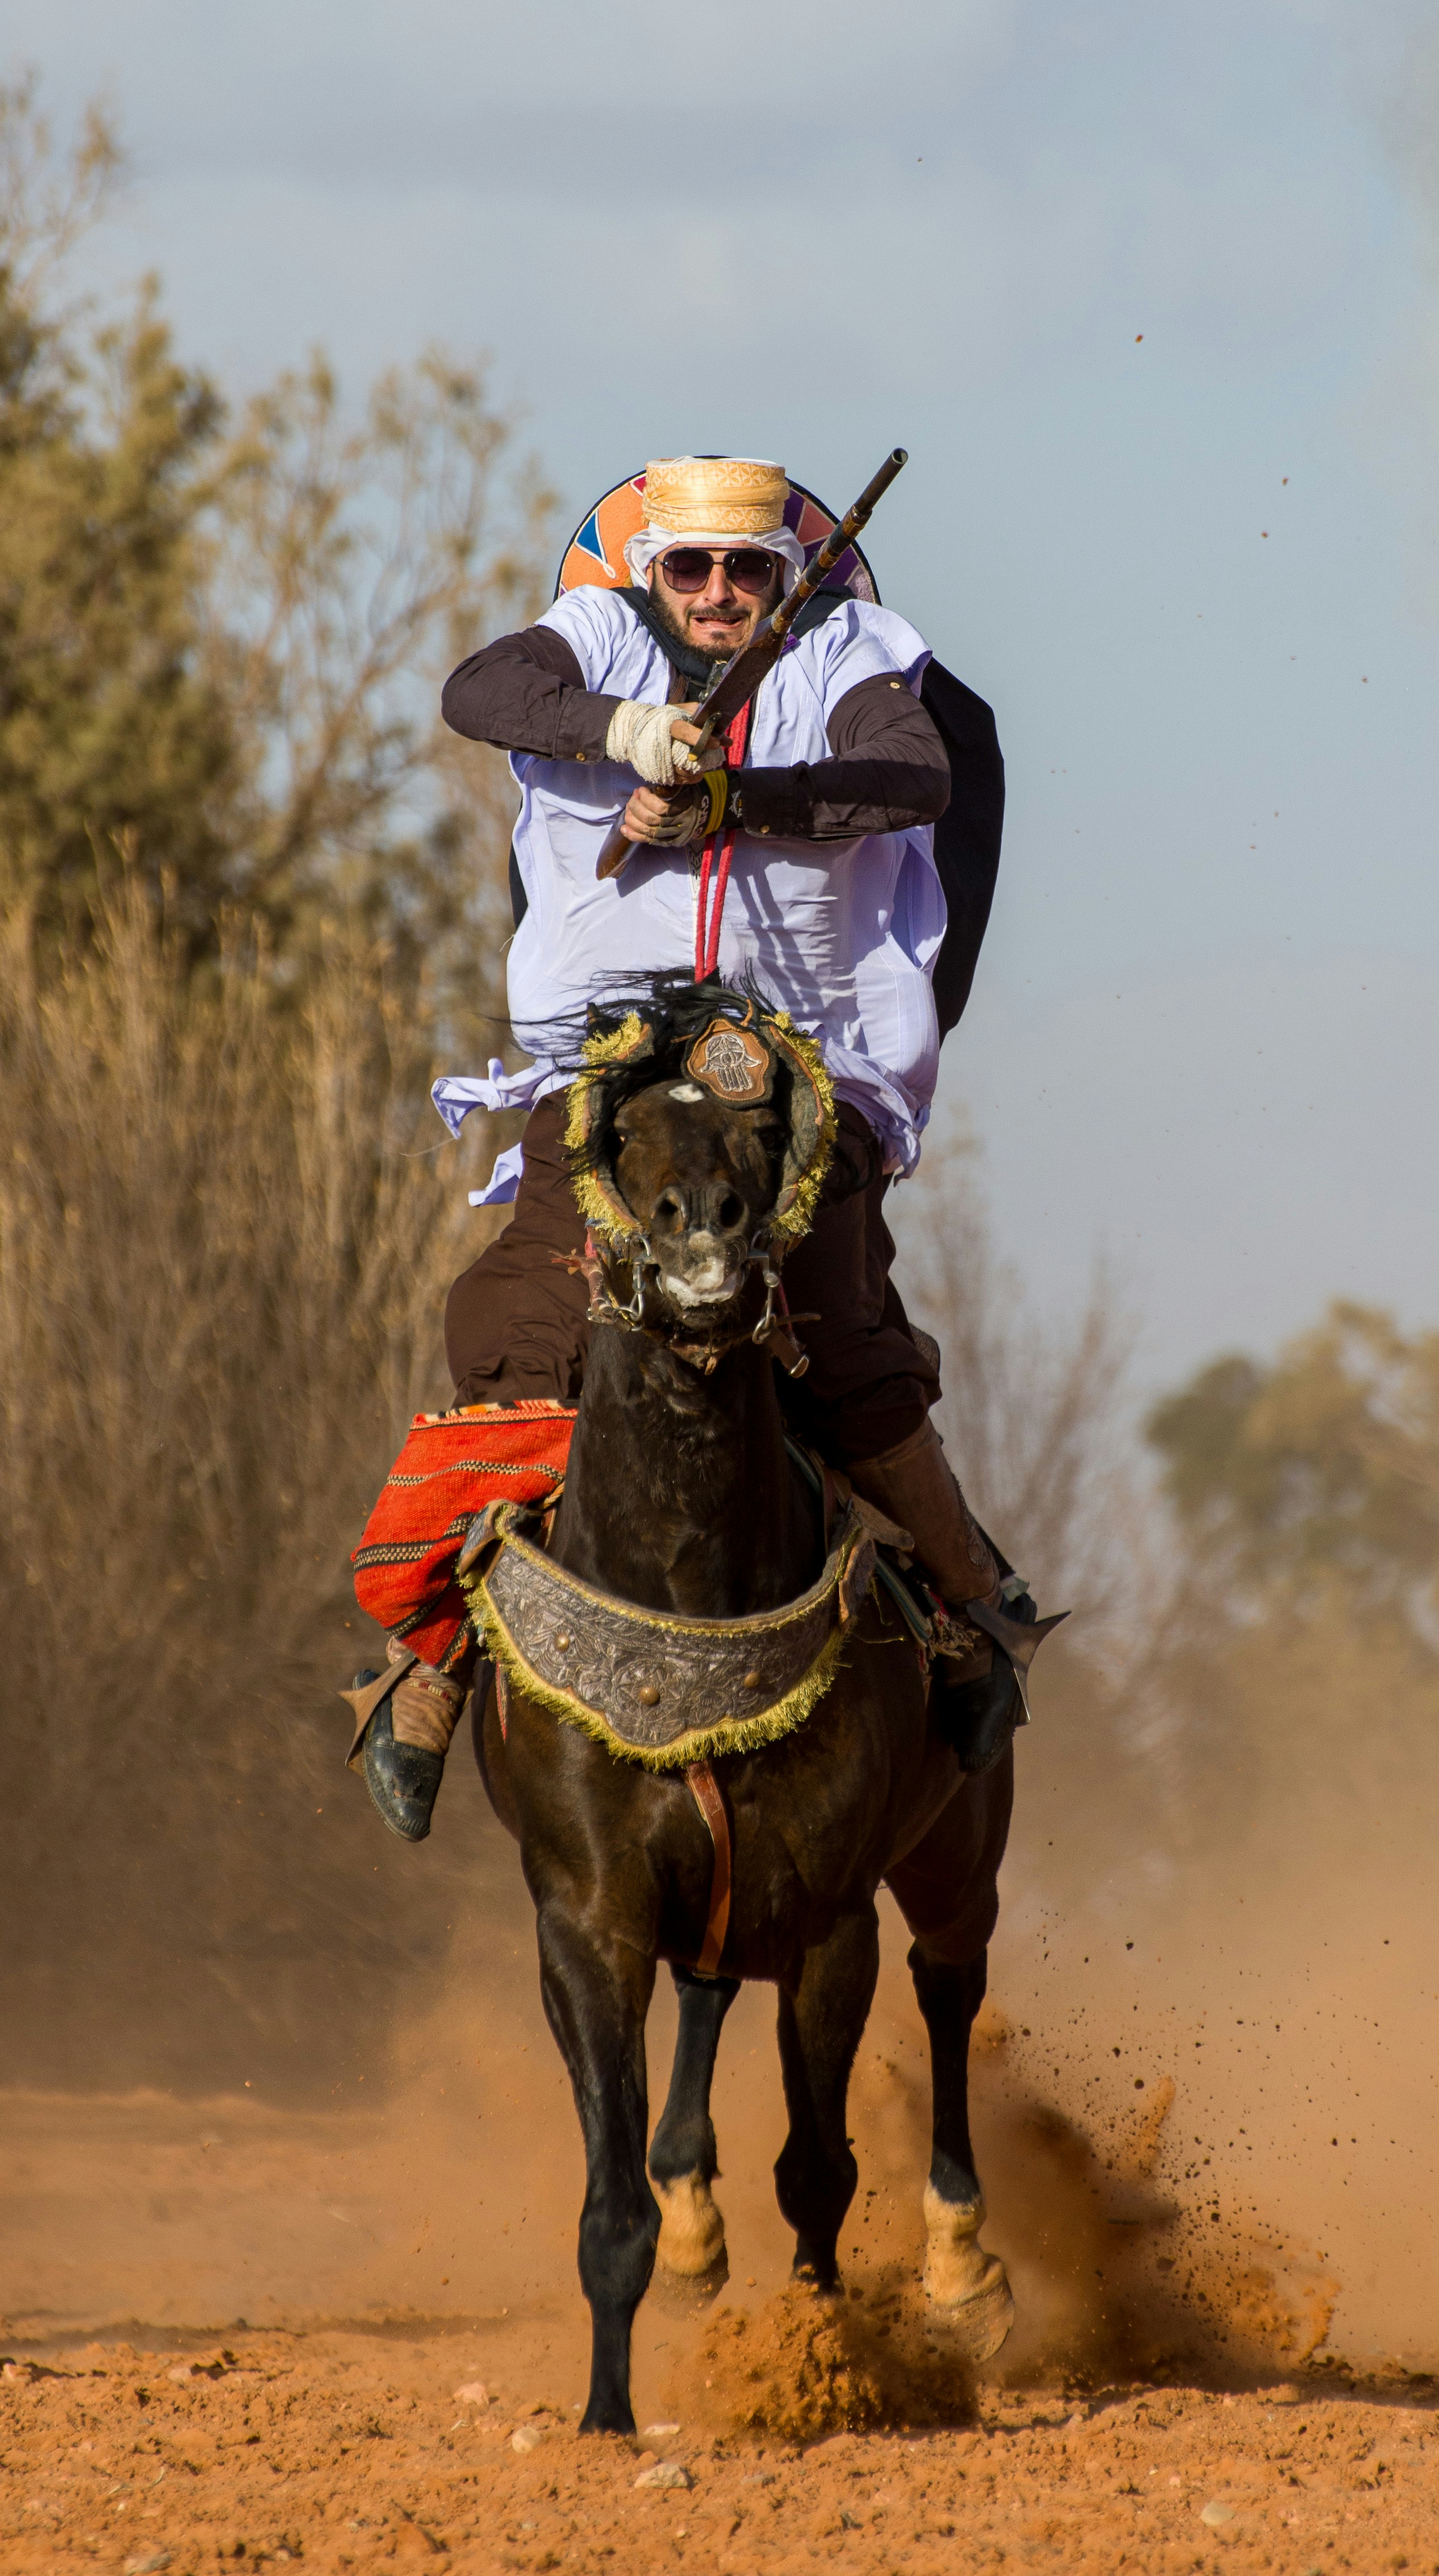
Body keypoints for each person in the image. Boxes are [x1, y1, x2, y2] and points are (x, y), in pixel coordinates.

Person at [367, 454, 1014, 1838]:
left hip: (791, 1069)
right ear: (647, 571)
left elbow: (911, 774)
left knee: (839, 1338)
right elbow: (476, 692)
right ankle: (428, 1655)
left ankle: (964, 1610)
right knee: (513, 1309)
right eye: (690, 569)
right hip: (609, 1062)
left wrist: (731, 798)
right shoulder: (595, 639)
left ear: (788, 576)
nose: (719, 595)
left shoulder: (848, 648)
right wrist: (625, 734)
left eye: (748, 571)